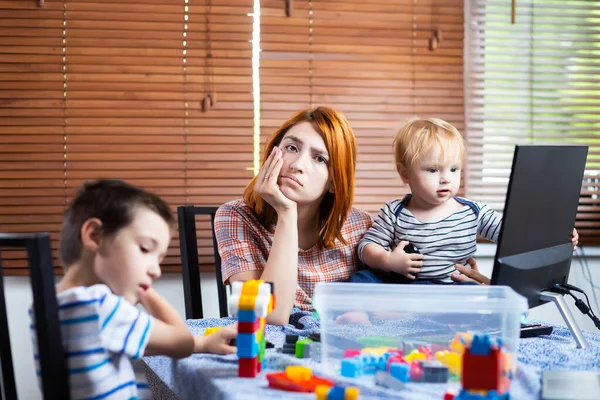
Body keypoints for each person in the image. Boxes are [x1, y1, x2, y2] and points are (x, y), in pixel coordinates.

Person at [30, 179, 237, 400]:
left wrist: (205, 343)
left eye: (159, 259)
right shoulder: (99, 306)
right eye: (145, 249)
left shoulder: (53, 304)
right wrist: (145, 291)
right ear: (94, 236)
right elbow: (182, 342)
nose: (156, 270)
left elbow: (149, 344)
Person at [352, 117, 578, 285]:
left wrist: (556, 237)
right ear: (405, 174)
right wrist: (388, 260)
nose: (445, 179)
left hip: (450, 287)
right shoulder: (395, 211)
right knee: (362, 278)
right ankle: (360, 313)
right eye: (432, 170)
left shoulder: (473, 211)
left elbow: (515, 237)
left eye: (453, 169)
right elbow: (366, 247)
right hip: (404, 286)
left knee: (478, 293)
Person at [215, 106, 373, 325]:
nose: (297, 165)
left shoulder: (360, 226)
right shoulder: (235, 216)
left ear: (335, 182)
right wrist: (286, 213)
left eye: (319, 159)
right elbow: (264, 317)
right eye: (291, 148)